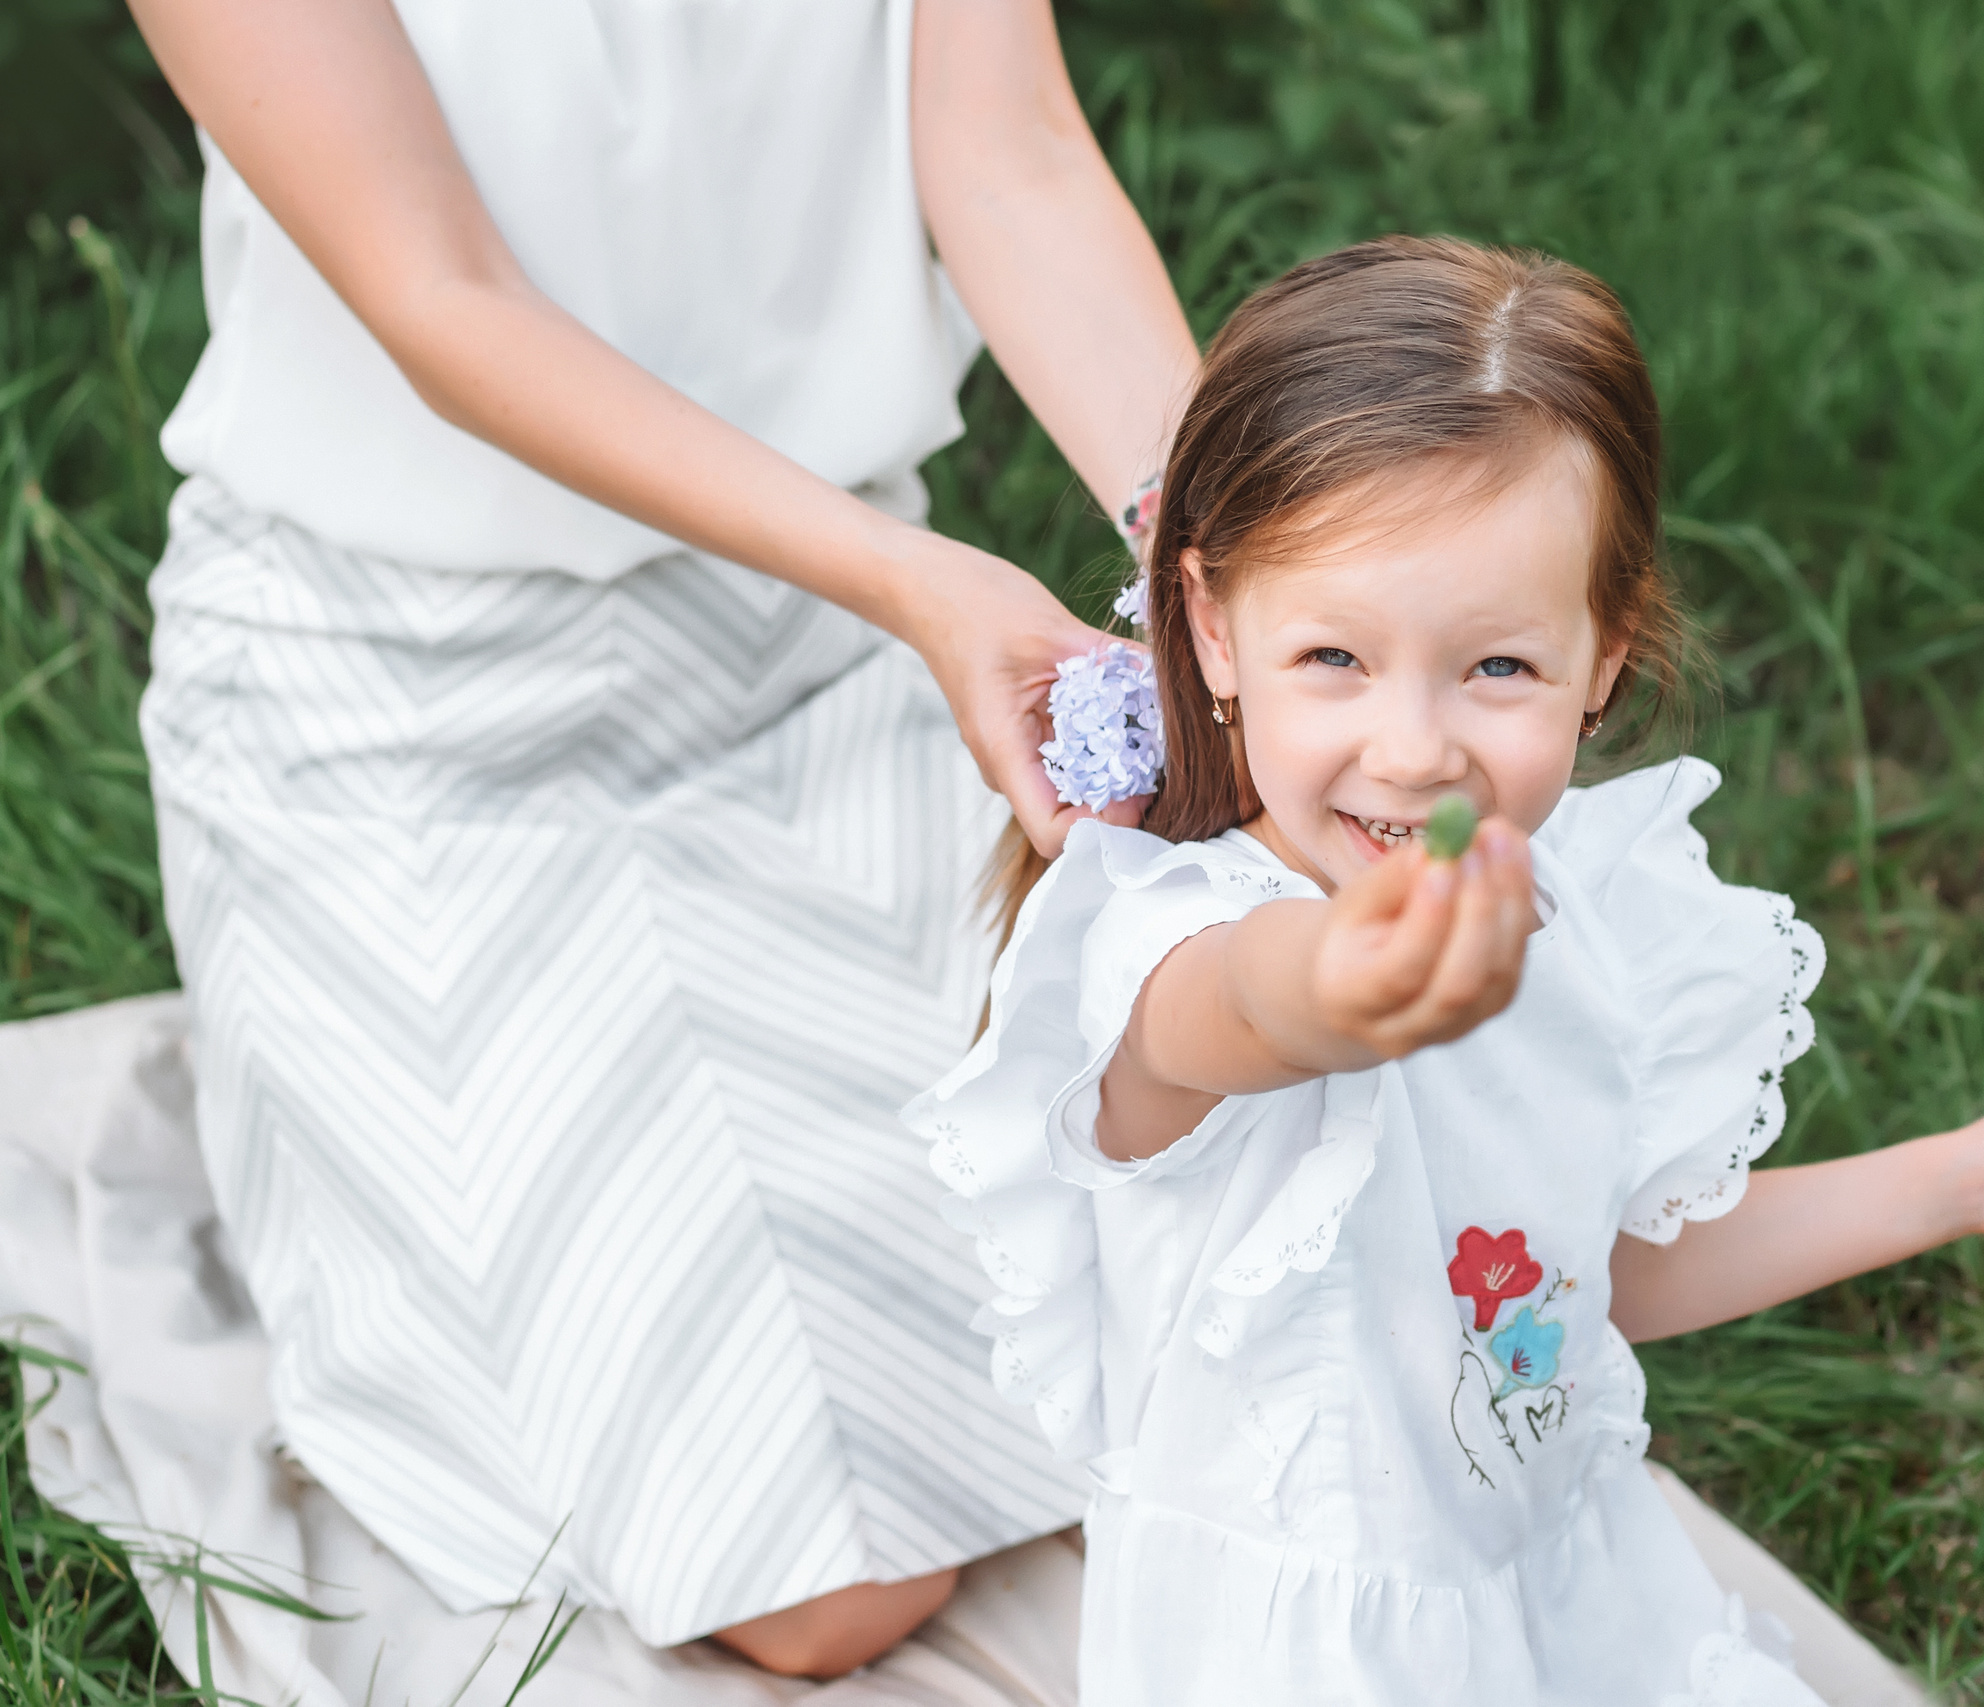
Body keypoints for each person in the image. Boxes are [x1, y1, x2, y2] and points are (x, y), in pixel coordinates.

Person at [907, 236, 1984, 1705]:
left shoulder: (1576, 904)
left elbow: (1582, 1277)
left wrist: (1954, 1181)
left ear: (1604, 652)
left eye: (1496, 668)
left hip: (1564, 1600)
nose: (1412, 745)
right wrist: (1339, 992)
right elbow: (1237, 1012)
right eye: (1333, 656)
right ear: (1212, 628)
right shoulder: (1167, 937)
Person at [124, 0, 1195, 1677]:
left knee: (1242, 1266)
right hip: (407, 732)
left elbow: (1017, 156)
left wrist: (1228, 572)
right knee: (828, 1576)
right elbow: (442, 300)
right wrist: (918, 587)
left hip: (817, 677)